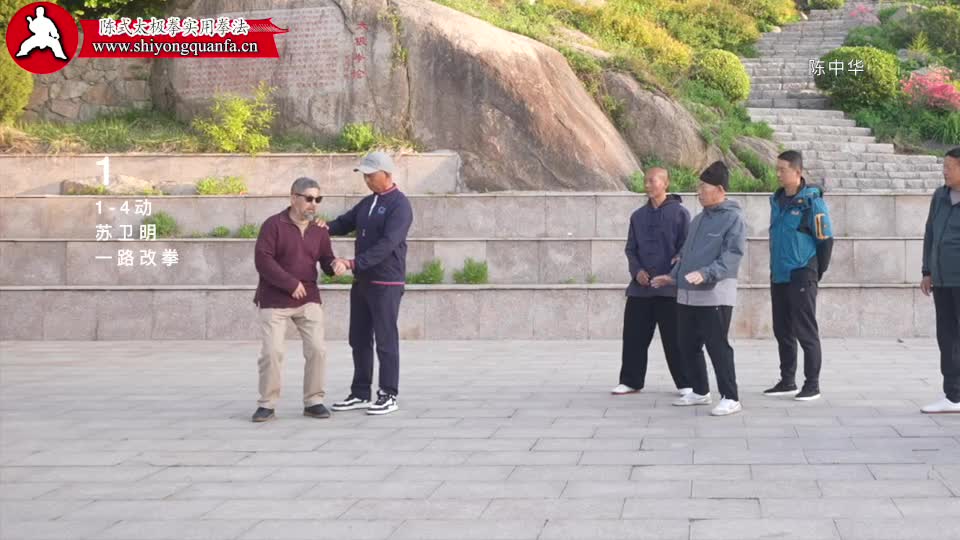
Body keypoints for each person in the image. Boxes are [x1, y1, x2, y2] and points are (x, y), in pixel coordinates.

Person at [318, 151, 413, 416]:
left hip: (386, 282)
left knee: (385, 339)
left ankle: (388, 394)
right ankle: (360, 393)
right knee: (358, 338)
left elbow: (387, 244)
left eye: (371, 175)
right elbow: (344, 222)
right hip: (363, 282)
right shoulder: (368, 202)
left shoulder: (400, 205)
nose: (367, 180)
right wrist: (322, 227)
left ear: (387, 174)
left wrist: (351, 263)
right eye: (365, 176)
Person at [651, 161, 746, 416]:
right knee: (687, 345)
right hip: (687, 295)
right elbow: (684, 255)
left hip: (715, 295)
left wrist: (706, 273)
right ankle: (700, 391)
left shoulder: (733, 219)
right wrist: (672, 277)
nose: (699, 192)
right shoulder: (699, 220)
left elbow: (732, 255)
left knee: (717, 347)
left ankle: (730, 397)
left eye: (704, 187)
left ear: (720, 190)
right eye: (699, 187)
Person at [250, 177, 342, 423]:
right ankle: (267, 404)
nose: (314, 204)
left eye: (318, 199)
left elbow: (326, 259)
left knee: (318, 349)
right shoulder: (273, 225)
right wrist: (290, 283)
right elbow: (263, 261)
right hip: (274, 299)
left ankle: (314, 401)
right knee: (273, 352)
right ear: (293, 198)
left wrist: (334, 266)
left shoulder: (319, 230)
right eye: (309, 198)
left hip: (308, 298)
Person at [614, 167, 700, 397]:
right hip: (640, 289)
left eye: (652, 181)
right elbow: (631, 249)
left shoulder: (680, 214)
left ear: (665, 183)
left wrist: (673, 272)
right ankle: (631, 381)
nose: (647, 185)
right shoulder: (637, 216)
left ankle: (685, 383)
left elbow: (686, 248)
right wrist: (637, 272)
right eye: (646, 181)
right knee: (633, 337)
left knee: (675, 339)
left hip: (669, 289)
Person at [763, 150, 834, 402]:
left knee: (805, 330)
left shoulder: (811, 202)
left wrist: (815, 271)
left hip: (802, 272)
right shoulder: (777, 200)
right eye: (777, 169)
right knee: (782, 329)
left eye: (783, 170)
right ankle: (787, 381)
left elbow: (825, 240)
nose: (778, 174)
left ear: (798, 172)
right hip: (779, 274)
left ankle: (812, 384)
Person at [920, 147, 960, 414]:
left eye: (949, 167)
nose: (944, 171)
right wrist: (927, 271)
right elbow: (930, 232)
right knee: (947, 337)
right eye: (944, 166)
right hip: (942, 281)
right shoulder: (940, 196)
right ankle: (953, 395)